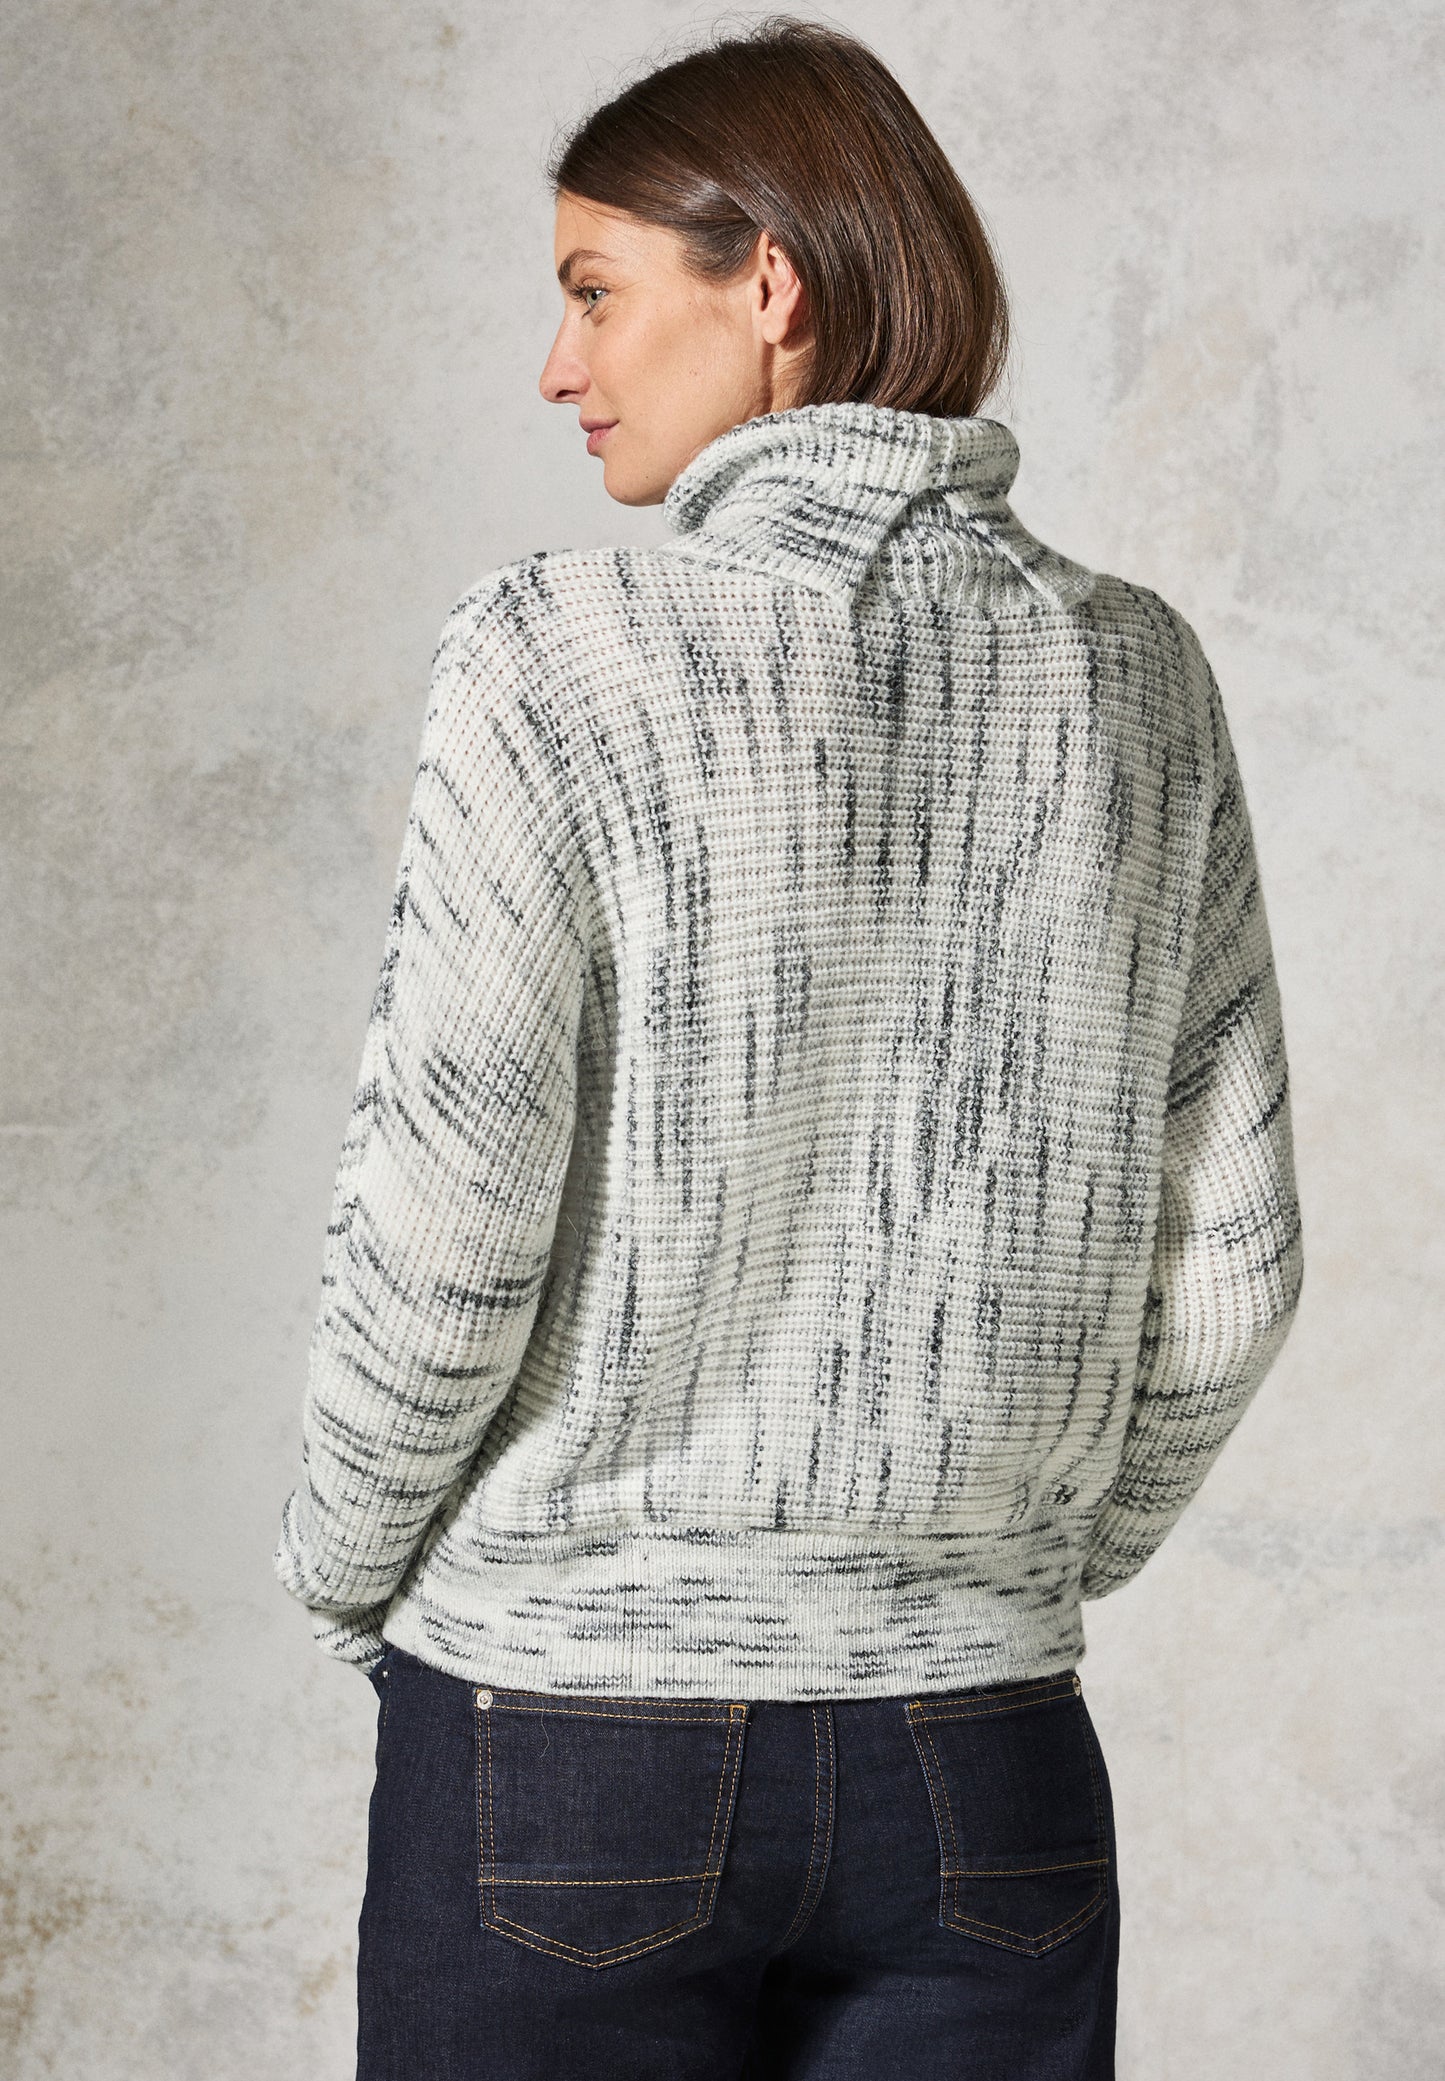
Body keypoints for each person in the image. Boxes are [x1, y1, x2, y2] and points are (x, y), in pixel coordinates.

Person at [272, 17, 1304, 2079]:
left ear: (769, 282)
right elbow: (1233, 1271)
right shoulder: (1136, 673)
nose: (557, 366)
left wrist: (342, 1568)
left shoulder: (557, 650)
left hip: (569, 1740)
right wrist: (1001, 1573)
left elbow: (450, 1216)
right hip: (989, 1767)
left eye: (592, 292)